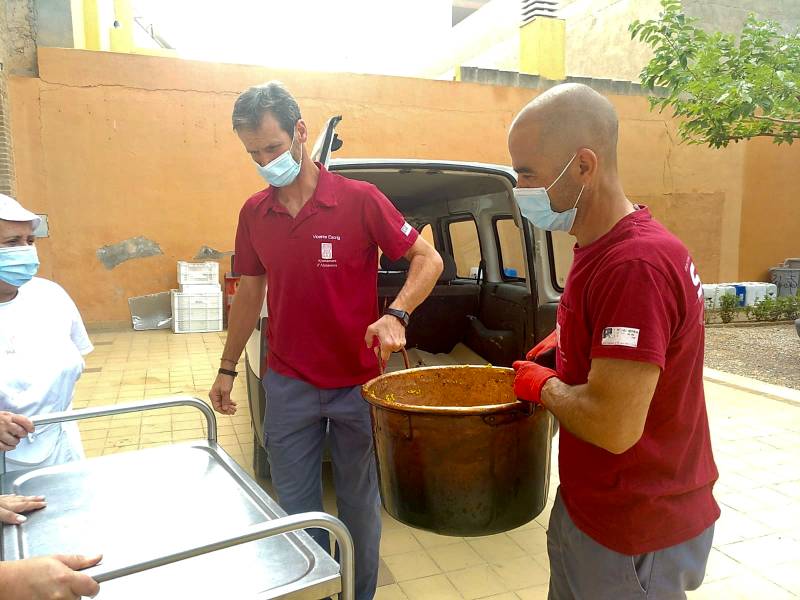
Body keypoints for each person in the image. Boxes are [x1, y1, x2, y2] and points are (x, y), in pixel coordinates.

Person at [209, 82, 443, 599]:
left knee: (359, 503)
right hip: (289, 383)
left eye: (272, 147)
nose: (266, 161)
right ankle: (314, 590)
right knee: (295, 509)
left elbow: (429, 259)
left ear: (300, 132)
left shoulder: (359, 201)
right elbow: (250, 290)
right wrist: (227, 368)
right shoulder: (254, 213)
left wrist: (396, 313)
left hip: (358, 384)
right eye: (253, 153)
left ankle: (358, 593)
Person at [508, 84, 719, 599]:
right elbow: (630, 338)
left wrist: (543, 386)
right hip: (599, 508)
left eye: (527, 173)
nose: (519, 188)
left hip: (636, 527)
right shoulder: (599, 246)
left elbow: (614, 423)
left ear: (584, 165)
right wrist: (568, 345)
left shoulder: (635, 266)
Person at [0, 195, 94, 472]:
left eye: (30, 241)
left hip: (62, 446)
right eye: (12, 243)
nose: (26, 251)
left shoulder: (50, 296)